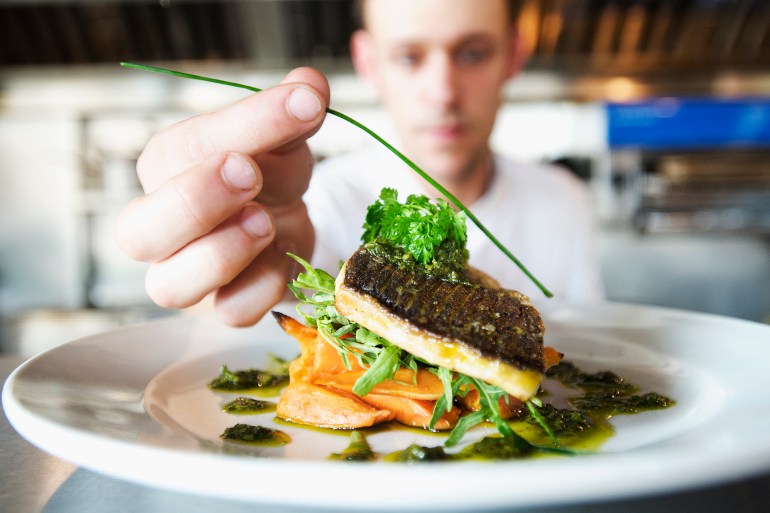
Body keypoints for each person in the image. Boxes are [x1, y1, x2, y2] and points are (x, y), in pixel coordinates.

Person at [116, 0, 604, 327]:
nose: (443, 93)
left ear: (513, 55)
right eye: (410, 57)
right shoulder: (321, 202)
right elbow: (274, 307)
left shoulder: (564, 200)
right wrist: (239, 258)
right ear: (368, 62)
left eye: (472, 53)